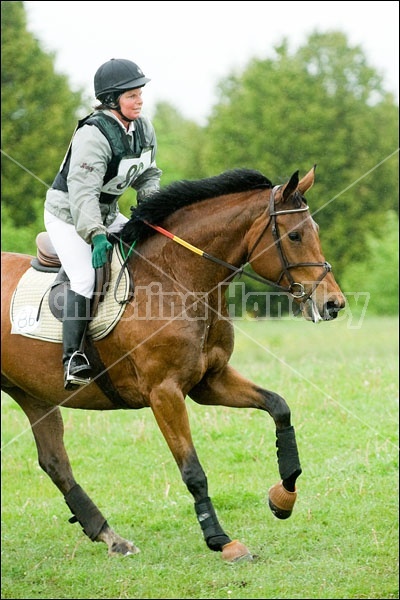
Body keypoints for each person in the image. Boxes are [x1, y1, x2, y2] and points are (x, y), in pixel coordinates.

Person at [44, 58, 162, 390]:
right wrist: (96, 236)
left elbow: (148, 174)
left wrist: (151, 207)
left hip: (108, 213)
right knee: (84, 277)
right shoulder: (93, 135)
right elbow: (82, 194)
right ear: (112, 100)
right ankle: (72, 359)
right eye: (132, 95)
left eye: (140, 94)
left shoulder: (143, 128)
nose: (139, 100)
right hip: (68, 216)